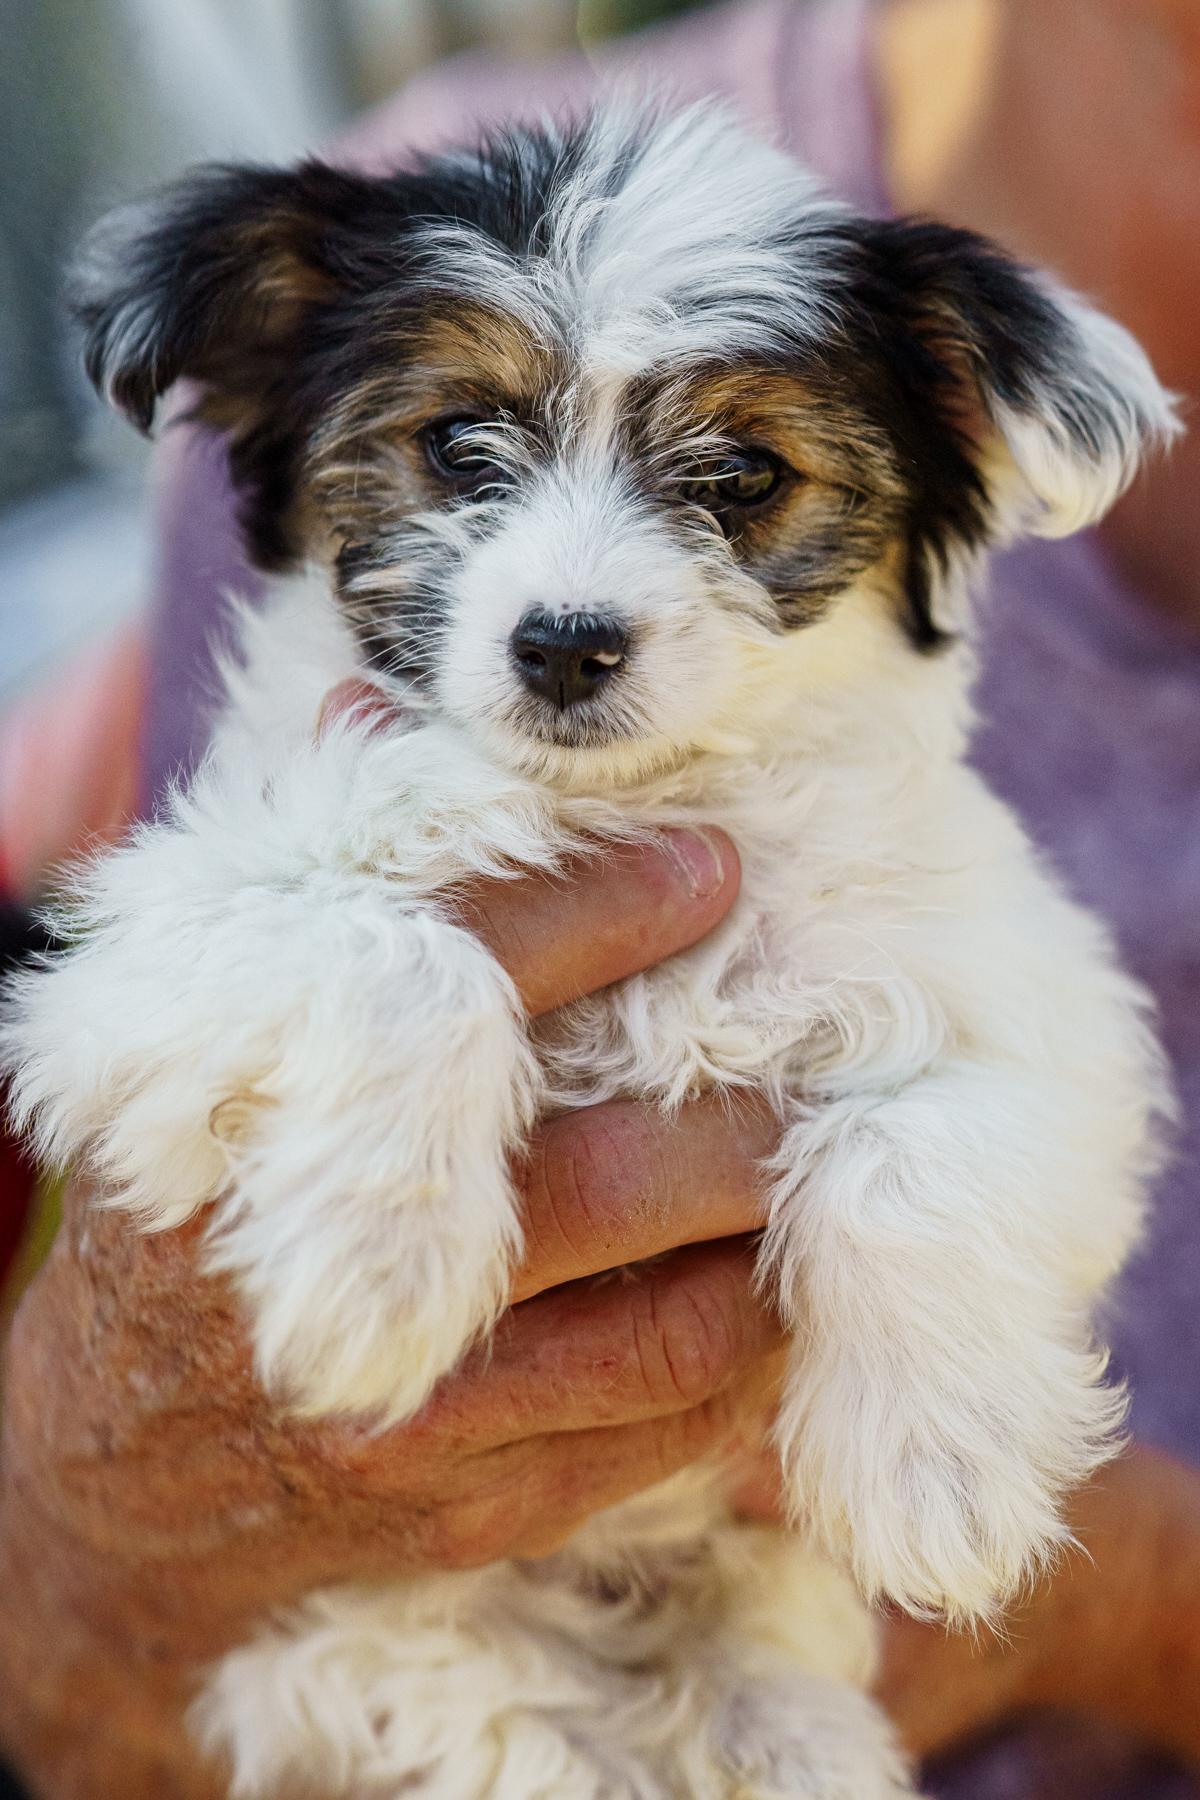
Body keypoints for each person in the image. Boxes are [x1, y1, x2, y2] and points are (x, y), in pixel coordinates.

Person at [2, 1, 1198, 1795]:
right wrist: (390, 1035)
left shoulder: (906, 853)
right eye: (465, 456)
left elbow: (1049, 1086)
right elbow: (100, 1036)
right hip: (388, 1680)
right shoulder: (313, 760)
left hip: (766, 1661)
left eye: (736, 480)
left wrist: (920, 1275)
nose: (572, 590)